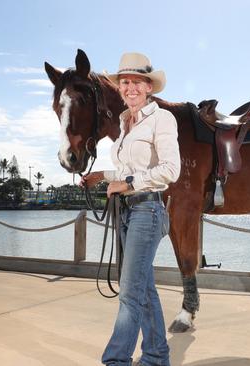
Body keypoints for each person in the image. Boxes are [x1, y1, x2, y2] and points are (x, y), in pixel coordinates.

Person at [80, 52, 180, 366]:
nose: (130, 87)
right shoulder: (126, 122)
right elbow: (127, 172)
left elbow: (170, 170)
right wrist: (102, 177)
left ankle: (116, 360)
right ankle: (156, 356)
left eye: (137, 81)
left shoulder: (162, 118)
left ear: (149, 86)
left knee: (130, 293)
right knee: (143, 288)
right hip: (128, 212)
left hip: (148, 212)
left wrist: (128, 184)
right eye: (125, 81)